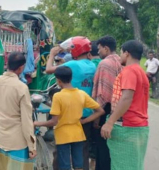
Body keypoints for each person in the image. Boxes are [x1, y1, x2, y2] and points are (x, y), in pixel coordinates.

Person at [35, 66, 104, 170]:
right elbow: (100, 111)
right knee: (78, 165)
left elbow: (54, 121)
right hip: (78, 134)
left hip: (63, 135)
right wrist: (84, 120)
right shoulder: (81, 94)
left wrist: (37, 123)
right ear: (71, 78)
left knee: (65, 166)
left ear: (58, 81)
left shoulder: (58, 96)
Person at [45, 36, 96, 170]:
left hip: (68, 114)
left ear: (76, 50)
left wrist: (51, 55)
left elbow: (49, 69)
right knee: (83, 150)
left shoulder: (73, 64)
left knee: (61, 149)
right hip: (87, 114)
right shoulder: (92, 65)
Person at [101, 40, 149, 170]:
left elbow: (126, 97)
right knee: (133, 165)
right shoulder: (141, 72)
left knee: (122, 166)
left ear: (127, 54)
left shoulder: (129, 71)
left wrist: (110, 122)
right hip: (139, 127)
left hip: (127, 127)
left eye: (121, 53)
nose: (120, 56)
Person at [0, 52, 37, 170]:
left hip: (0, 138)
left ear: (7, 64)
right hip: (17, 143)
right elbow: (26, 120)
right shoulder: (21, 87)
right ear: (21, 68)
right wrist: (32, 146)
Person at [92, 36, 122, 170]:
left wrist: (97, 117)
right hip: (118, 108)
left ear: (106, 48)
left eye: (99, 49)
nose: (98, 52)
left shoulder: (104, 64)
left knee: (102, 146)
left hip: (105, 107)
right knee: (113, 146)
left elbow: (103, 93)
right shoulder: (120, 61)